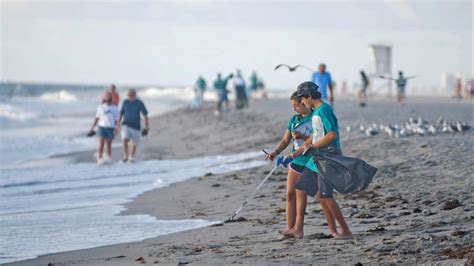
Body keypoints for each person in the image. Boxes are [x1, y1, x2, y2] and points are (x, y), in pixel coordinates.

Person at [281, 81, 352, 240]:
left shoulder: (324, 110)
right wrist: (293, 155)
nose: (302, 103)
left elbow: (332, 135)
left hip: (328, 155)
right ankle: (298, 229)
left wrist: (314, 146)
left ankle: (344, 231)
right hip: (317, 156)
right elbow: (315, 135)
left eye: (303, 100)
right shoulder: (317, 111)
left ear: (308, 97)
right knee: (302, 187)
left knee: (325, 195)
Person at [265, 92, 313, 241]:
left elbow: (315, 140)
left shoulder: (315, 118)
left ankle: (299, 230)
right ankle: (290, 229)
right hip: (295, 162)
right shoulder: (293, 119)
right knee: (290, 194)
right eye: (292, 106)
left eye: (296, 106)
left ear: (304, 103)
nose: (294, 109)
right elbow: (286, 140)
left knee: (301, 195)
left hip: (310, 161)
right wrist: (275, 152)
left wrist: (302, 140)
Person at [116, 89, 149, 163]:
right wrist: (118, 123)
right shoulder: (125, 102)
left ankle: (131, 157)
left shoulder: (139, 103)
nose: (129, 96)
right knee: (124, 138)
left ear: (134, 94)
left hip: (136, 126)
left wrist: (146, 126)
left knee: (134, 143)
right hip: (126, 124)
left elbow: (145, 115)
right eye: (128, 95)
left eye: (131, 95)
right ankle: (125, 156)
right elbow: (121, 113)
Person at [88, 90, 119, 165]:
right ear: (104, 98)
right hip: (102, 127)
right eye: (106, 96)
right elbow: (97, 118)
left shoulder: (114, 108)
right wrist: (92, 127)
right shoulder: (101, 107)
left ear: (111, 97)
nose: (107, 97)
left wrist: (116, 128)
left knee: (108, 145)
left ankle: (108, 159)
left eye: (108, 96)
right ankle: (100, 159)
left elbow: (116, 120)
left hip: (110, 128)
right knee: (101, 144)